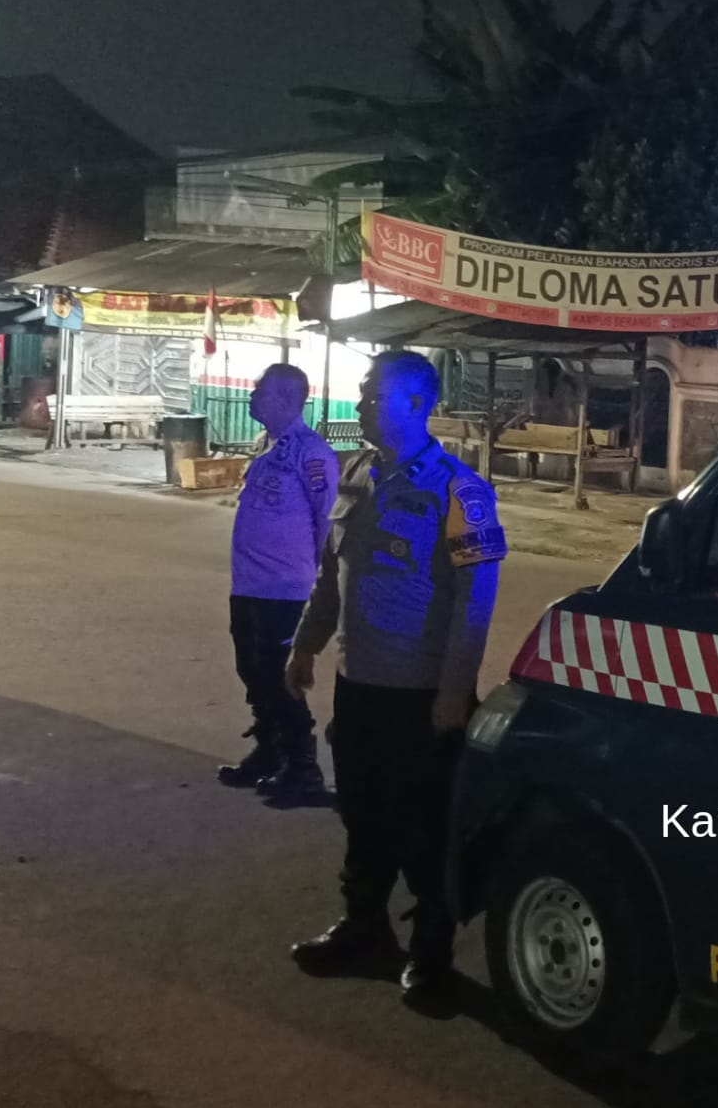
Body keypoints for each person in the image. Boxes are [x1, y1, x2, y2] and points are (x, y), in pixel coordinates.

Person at [284, 350, 506, 1001]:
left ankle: (431, 956)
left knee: (423, 828)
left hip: (422, 695)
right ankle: (364, 927)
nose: (359, 406)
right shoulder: (357, 473)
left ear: (417, 404)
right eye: (362, 394)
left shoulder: (460, 490)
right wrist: (306, 644)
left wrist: (454, 688)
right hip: (359, 684)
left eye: (373, 396)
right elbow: (333, 575)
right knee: (362, 815)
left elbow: (475, 599)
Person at [217, 363, 339, 802]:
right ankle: (270, 750)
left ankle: (303, 767)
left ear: (287, 398)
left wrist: (319, 578)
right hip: (248, 583)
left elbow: (327, 520)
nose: (252, 396)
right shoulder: (267, 446)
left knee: (279, 676)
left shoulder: (311, 452)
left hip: (285, 588)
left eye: (261, 390)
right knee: (252, 671)